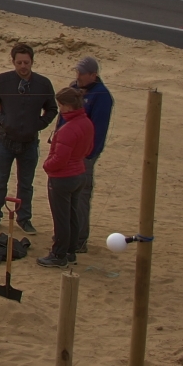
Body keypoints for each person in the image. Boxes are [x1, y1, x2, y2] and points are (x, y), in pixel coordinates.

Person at [0, 43, 56, 233]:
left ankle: (24, 218)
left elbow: (52, 109)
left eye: (26, 62)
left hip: (29, 142)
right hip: (4, 140)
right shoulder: (3, 80)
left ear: (32, 62)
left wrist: (38, 124)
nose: (23, 66)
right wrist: (1, 121)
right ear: (13, 62)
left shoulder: (43, 83)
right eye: (19, 62)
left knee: (26, 184)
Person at [39, 87, 96, 267]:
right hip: (78, 173)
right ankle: (70, 251)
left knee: (62, 217)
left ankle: (59, 254)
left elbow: (60, 159)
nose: (60, 109)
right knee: (72, 215)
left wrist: (46, 165)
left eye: (61, 105)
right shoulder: (86, 123)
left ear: (68, 106)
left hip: (63, 177)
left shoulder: (68, 129)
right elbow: (88, 149)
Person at [71, 56, 114, 257]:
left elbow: (97, 130)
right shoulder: (75, 88)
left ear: (93, 75)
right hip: (67, 151)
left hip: (85, 155)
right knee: (65, 194)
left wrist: (87, 154)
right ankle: (67, 234)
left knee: (81, 195)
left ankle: (79, 239)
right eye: (77, 72)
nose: (77, 76)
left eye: (81, 73)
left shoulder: (102, 95)